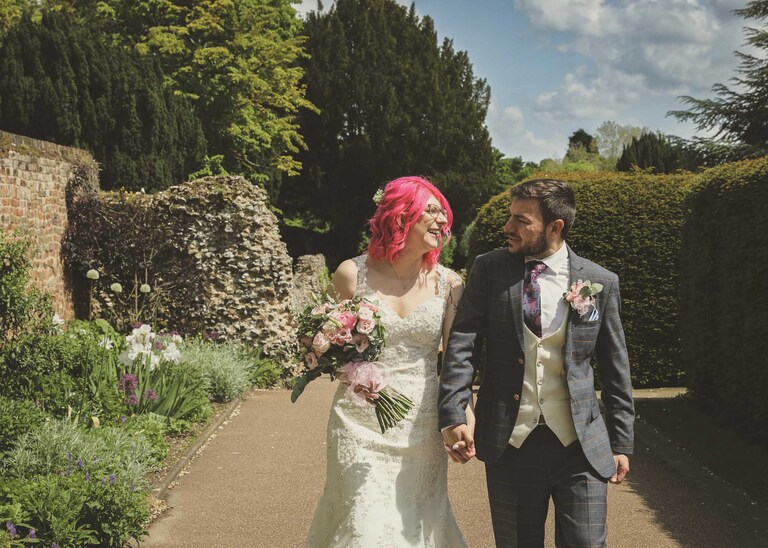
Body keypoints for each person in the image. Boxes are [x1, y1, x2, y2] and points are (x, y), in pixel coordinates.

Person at [438, 178, 634, 547]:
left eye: (521, 220)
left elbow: (614, 366)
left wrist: (621, 441)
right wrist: (453, 412)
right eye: (509, 216)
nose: (507, 227)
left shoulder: (599, 281)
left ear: (555, 227)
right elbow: (462, 343)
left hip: (581, 445)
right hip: (510, 443)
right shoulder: (489, 269)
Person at [305, 176, 471, 547]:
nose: (442, 220)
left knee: (416, 522)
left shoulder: (450, 284)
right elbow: (319, 342)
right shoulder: (352, 274)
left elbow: (457, 363)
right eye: (431, 210)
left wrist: (462, 416)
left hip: (422, 425)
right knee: (363, 520)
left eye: (443, 213)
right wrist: (351, 370)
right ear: (399, 216)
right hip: (358, 422)